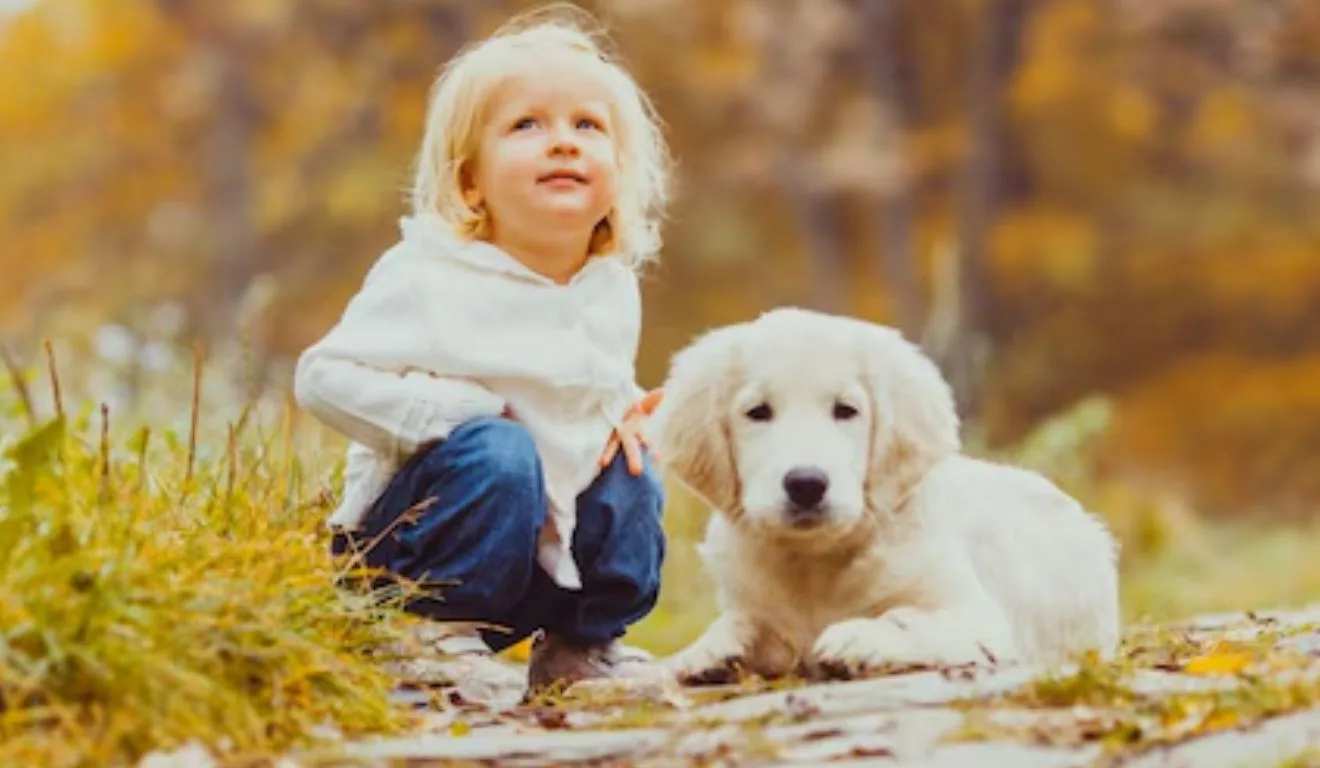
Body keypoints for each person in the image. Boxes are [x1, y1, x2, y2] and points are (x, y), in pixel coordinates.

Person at [293, 4, 673, 696]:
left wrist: (632, 417)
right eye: (527, 124)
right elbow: (321, 377)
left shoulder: (610, 288)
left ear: (618, 172)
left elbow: (587, 393)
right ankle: (423, 636)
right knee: (500, 452)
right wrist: (458, 412)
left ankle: (580, 646)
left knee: (633, 469)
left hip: (534, 564)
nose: (562, 142)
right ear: (471, 182)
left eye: (586, 125)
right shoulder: (429, 275)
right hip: (415, 556)